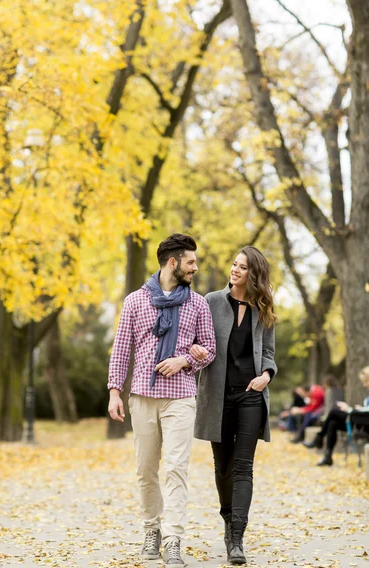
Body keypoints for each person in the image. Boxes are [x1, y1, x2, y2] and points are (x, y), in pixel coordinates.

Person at [107, 233, 216, 568]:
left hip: (180, 398)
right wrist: (114, 391)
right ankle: (151, 529)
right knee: (145, 470)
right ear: (173, 262)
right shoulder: (135, 302)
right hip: (142, 397)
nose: (195, 267)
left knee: (176, 469)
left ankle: (173, 539)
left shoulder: (197, 304)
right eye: (190, 262)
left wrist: (186, 359)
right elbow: (122, 349)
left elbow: (209, 348)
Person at [191, 246, 277, 565]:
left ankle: (237, 538)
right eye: (234, 264)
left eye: (242, 267)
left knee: (244, 466)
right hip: (217, 395)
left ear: (253, 274)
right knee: (222, 467)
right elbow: (195, 338)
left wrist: (266, 375)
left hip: (251, 395)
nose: (235, 270)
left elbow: (268, 352)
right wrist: (196, 349)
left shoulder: (263, 308)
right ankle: (228, 520)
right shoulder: (211, 301)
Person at [304, 365, 369, 466]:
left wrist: (349, 409)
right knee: (333, 423)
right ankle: (328, 457)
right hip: (360, 421)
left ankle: (319, 438)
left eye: (366, 382)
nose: (364, 385)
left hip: (364, 424)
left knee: (334, 412)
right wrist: (359, 408)